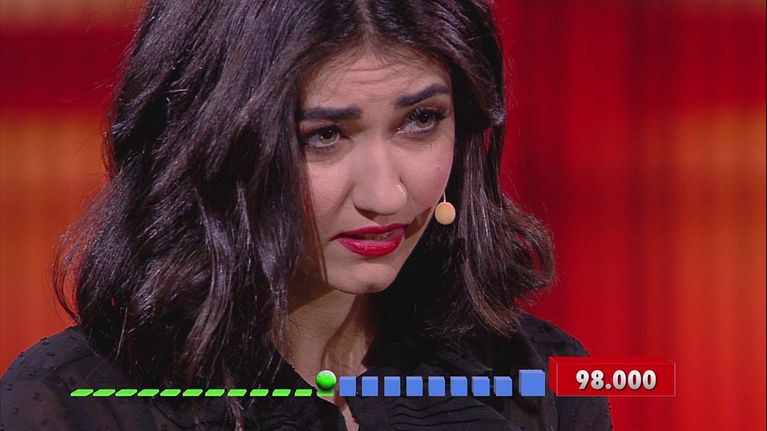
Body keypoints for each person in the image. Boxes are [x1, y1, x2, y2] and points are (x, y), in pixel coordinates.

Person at [0, 0, 613, 430]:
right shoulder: (73, 402)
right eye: (324, 135)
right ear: (210, 147)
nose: (386, 195)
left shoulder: (538, 381)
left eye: (421, 120)